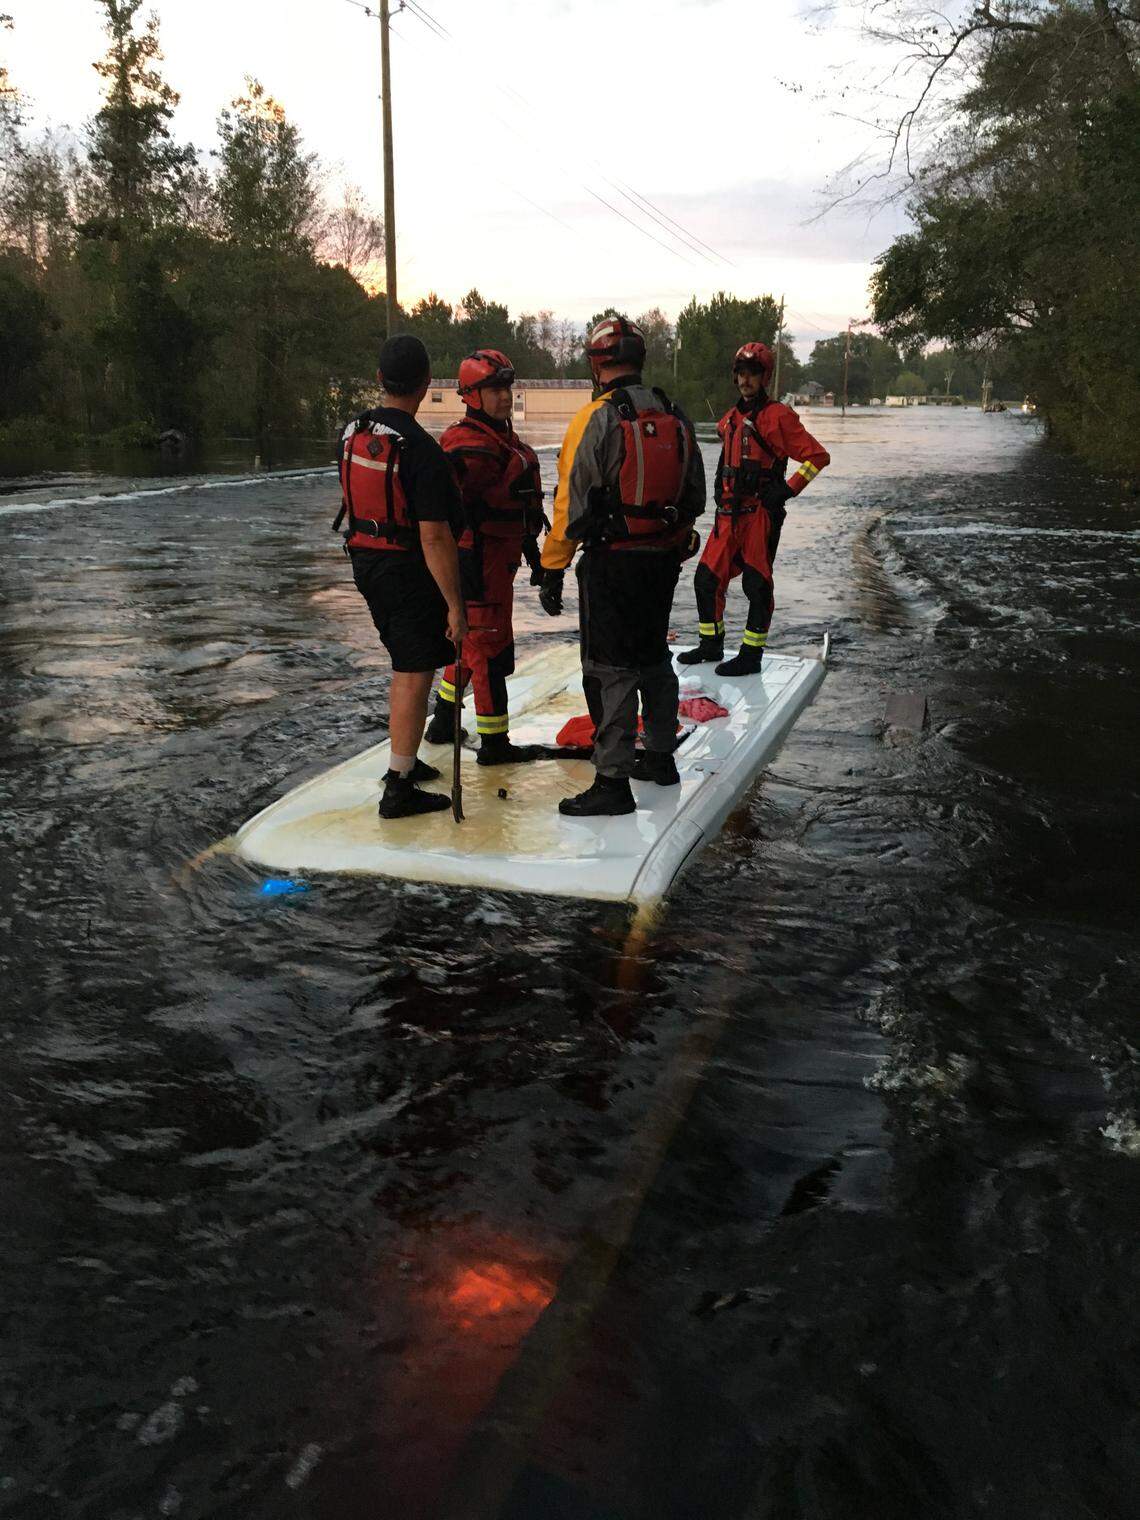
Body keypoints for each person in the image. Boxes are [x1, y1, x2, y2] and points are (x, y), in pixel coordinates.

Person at [537, 315, 706, 816]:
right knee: (653, 657)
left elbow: (571, 503)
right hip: (661, 562)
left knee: (610, 669)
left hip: (612, 564)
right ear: (640, 360)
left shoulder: (596, 418)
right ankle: (658, 756)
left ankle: (612, 783)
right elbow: (693, 495)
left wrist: (552, 569)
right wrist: (672, 542)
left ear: (596, 365)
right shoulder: (676, 415)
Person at [335, 334, 468, 819]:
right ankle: (398, 788)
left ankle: (405, 761)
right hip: (406, 570)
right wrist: (455, 605)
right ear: (428, 383)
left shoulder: (353, 433)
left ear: (379, 380)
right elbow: (435, 539)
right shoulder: (422, 452)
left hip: (365, 562)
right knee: (414, 673)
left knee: (404, 663)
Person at [422, 349, 547, 765]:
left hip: (499, 563)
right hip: (475, 564)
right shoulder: (466, 445)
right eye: (494, 389)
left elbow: (519, 506)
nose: (504, 396)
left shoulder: (504, 440)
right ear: (472, 395)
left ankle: (442, 721)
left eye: (507, 388)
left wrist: (535, 555)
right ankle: (495, 744)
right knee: (489, 652)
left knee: (474, 646)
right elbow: (444, 509)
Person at [679, 341, 830, 674]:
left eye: (753, 374)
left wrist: (787, 490)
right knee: (705, 580)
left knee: (756, 585)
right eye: (741, 373)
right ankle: (710, 645)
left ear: (765, 378)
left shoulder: (778, 418)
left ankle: (751, 655)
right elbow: (726, 457)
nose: (746, 380)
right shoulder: (729, 420)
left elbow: (817, 457)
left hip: (759, 515)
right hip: (727, 517)